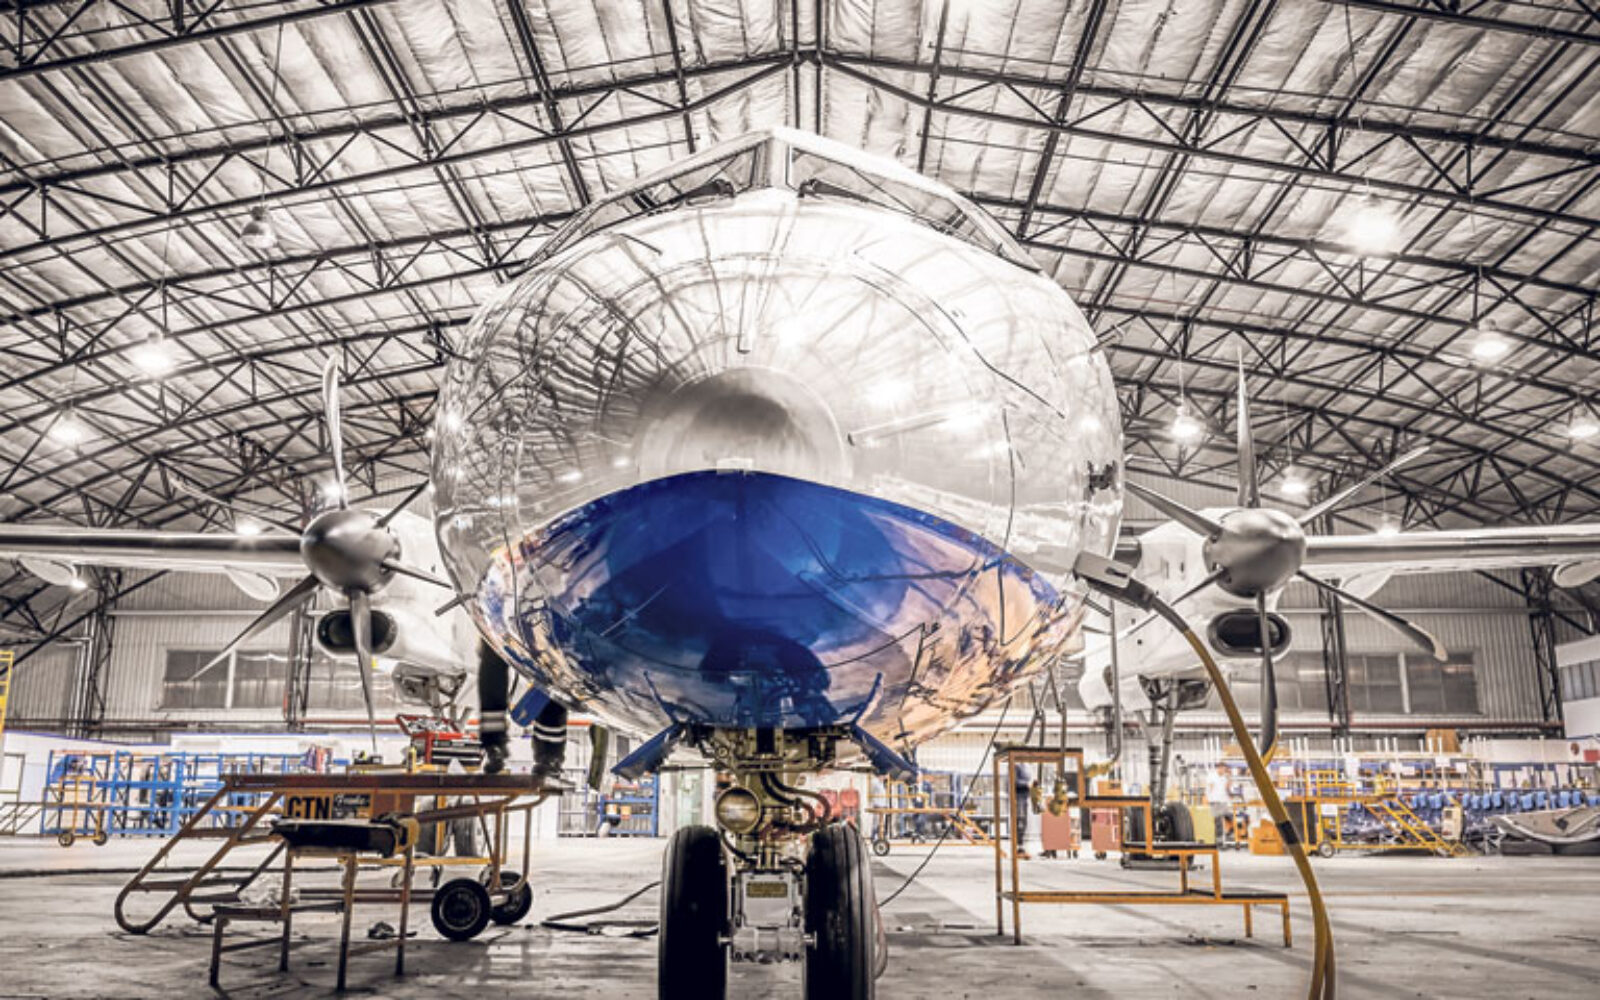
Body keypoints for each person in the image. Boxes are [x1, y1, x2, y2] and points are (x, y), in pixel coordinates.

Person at [1206, 763, 1233, 846]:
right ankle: (1219, 841)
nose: (1224, 771)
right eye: (1223, 769)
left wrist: (1229, 777)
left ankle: (1228, 834)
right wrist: (1208, 799)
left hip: (1223, 801)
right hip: (1214, 801)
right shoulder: (1212, 776)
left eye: (1225, 769)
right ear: (1219, 768)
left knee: (1230, 817)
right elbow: (1209, 788)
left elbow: (1227, 788)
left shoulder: (1224, 777)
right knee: (1218, 821)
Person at [1013, 762, 1035, 859]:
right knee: (1020, 821)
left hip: (1025, 797)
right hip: (1018, 797)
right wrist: (1027, 784)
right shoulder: (1016, 766)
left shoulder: (1027, 765)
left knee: (1024, 822)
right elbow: (1014, 781)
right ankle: (1018, 847)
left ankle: (1022, 847)